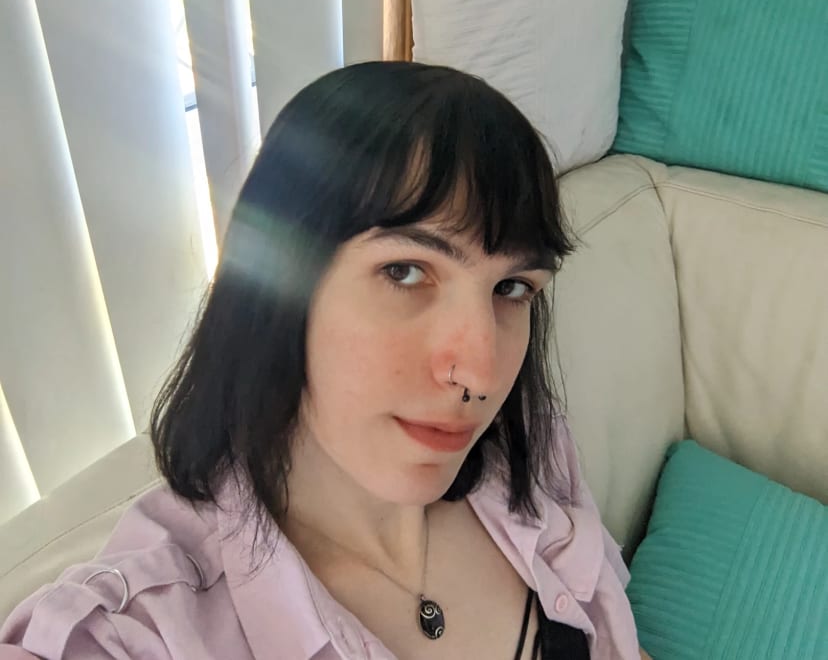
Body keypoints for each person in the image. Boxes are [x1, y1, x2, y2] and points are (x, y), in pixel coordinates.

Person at [0, 62, 651, 659]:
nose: (480, 377)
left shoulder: (532, 452)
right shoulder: (141, 631)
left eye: (511, 288)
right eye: (405, 271)